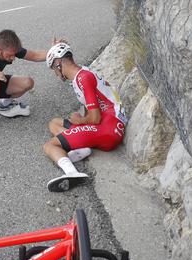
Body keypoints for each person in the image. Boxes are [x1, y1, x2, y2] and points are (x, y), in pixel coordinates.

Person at [42, 42, 128, 192]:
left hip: (109, 128)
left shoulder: (83, 79)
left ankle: (72, 173)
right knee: (54, 123)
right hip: (109, 123)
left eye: (53, 69)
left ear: (58, 63)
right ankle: (80, 147)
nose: (55, 74)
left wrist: (79, 121)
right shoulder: (82, 73)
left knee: (49, 146)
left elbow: (94, 119)